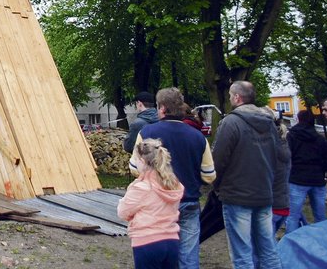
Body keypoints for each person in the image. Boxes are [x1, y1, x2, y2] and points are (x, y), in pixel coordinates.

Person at [130, 88, 215, 269]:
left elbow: (135, 168)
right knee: (189, 257)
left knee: (161, 253)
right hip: (189, 201)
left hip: (158, 203)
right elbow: (209, 176)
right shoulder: (199, 137)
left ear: (161, 108)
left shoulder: (146, 133)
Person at [212, 81, 285, 269]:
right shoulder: (270, 124)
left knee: (242, 252)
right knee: (268, 248)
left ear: (237, 97)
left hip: (237, 195)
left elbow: (218, 160)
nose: (228, 98)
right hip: (264, 192)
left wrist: (217, 186)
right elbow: (277, 156)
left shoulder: (231, 122)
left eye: (230, 94)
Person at [118, 137, 184, 269]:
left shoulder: (141, 188)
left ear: (142, 161)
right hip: (172, 240)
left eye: (136, 159)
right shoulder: (172, 184)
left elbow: (122, 212)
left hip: (146, 241)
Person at [285, 108, 327, 233]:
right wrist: (323, 172)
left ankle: (292, 245)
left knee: (293, 217)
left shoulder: (292, 136)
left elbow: (287, 157)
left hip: (297, 179)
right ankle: (322, 242)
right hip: (317, 179)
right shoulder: (320, 139)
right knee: (321, 217)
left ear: (298, 120)